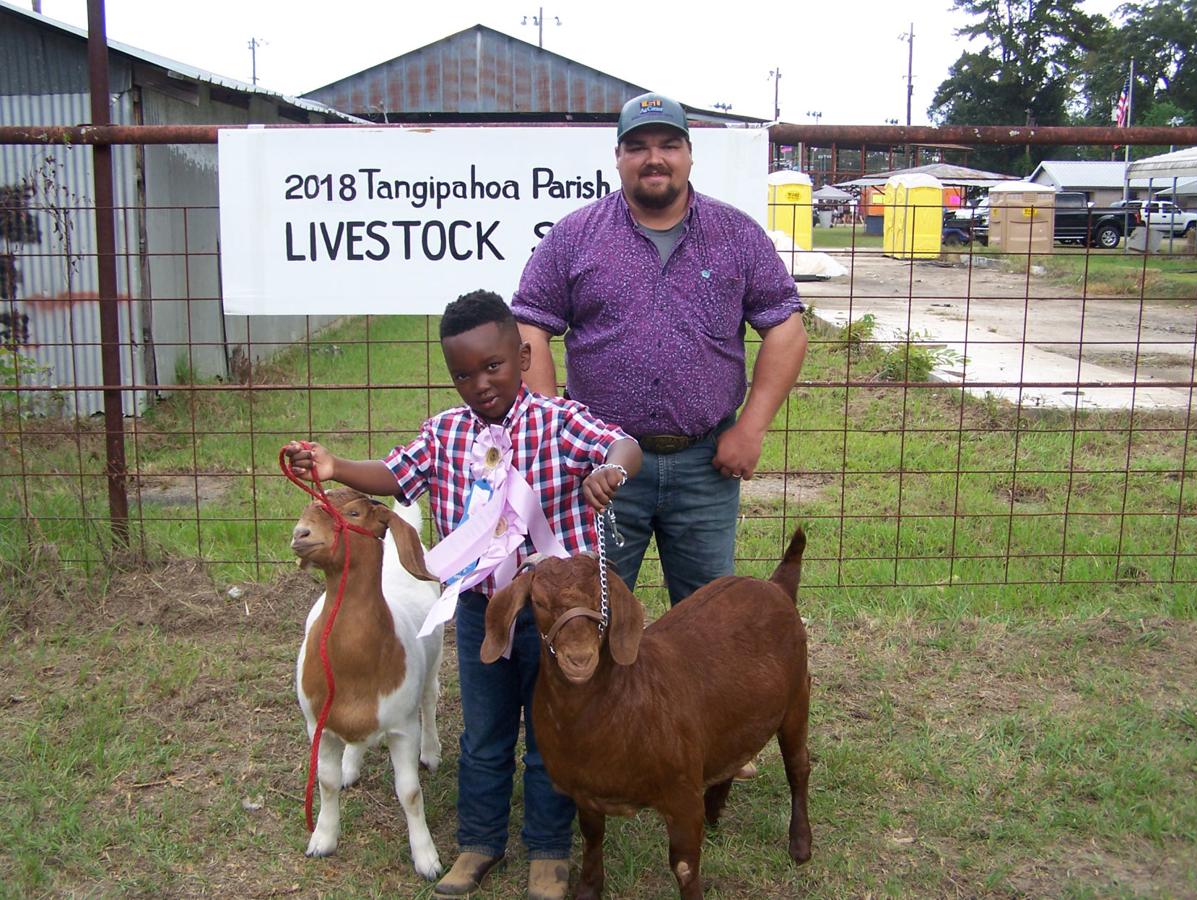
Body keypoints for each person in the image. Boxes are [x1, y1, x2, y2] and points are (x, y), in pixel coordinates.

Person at [284, 290, 641, 900]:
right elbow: (396, 475)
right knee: (483, 732)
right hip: (481, 611)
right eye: (462, 374)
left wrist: (612, 469)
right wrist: (335, 465)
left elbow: (622, 443)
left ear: (523, 357)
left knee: (551, 732)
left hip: (554, 617)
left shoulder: (559, 421)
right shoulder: (445, 433)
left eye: (492, 366)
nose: (479, 384)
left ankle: (549, 852)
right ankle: (479, 841)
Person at [512, 91, 808, 613]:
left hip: (705, 466)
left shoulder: (736, 235)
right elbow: (530, 327)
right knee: (590, 613)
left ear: (689, 154)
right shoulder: (574, 236)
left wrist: (751, 429)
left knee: (707, 623)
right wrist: (556, 428)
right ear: (618, 157)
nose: (654, 158)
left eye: (669, 145)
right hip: (601, 468)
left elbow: (786, 326)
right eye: (638, 146)